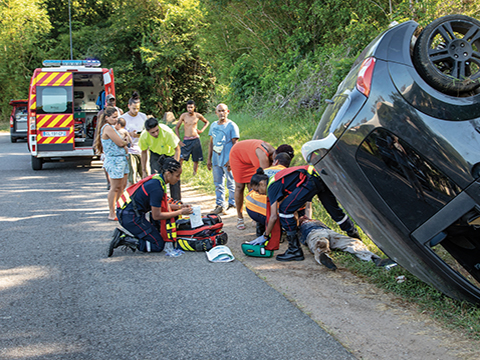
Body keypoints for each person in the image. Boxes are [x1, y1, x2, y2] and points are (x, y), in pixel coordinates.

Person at [257, 165, 360, 262]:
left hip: (310, 179)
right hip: (319, 175)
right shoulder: (280, 178)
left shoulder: (272, 185)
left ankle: (294, 250)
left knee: (284, 211)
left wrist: (265, 236)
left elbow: (274, 216)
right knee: (334, 210)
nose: (259, 193)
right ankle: (354, 236)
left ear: (261, 183)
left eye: (257, 190)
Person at [108, 157, 193, 256]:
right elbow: (156, 215)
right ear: (168, 174)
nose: (178, 179)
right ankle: (124, 239)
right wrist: (180, 212)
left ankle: (140, 236)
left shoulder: (157, 179)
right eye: (177, 176)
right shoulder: (157, 188)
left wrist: (180, 207)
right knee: (158, 245)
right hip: (130, 217)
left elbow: (160, 205)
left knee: (155, 235)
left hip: (129, 213)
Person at [229, 140, 294, 230]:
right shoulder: (263, 156)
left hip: (250, 157)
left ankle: (256, 211)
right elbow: (264, 181)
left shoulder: (273, 156)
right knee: (240, 187)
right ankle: (240, 218)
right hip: (238, 154)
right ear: (276, 156)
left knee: (252, 186)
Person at [298, 216, 394, 270]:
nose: (304, 217)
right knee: (320, 242)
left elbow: (308, 207)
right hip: (313, 233)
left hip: (330, 232)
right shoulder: (299, 225)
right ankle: (324, 257)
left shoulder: (310, 218)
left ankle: (374, 259)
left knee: (354, 242)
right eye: (302, 217)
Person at [94, 106, 129, 221]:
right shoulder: (107, 128)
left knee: (122, 186)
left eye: (117, 117)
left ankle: (119, 208)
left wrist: (125, 142)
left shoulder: (114, 128)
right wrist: (125, 142)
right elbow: (120, 142)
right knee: (115, 187)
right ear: (107, 117)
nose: (116, 120)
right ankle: (112, 212)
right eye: (114, 117)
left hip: (122, 159)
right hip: (114, 160)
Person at [245, 152, 292, 238]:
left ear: (276, 162)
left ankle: (261, 230)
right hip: (268, 210)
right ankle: (277, 233)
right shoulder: (288, 174)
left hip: (250, 207)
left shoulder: (264, 171)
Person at [206, 103, 240, 215]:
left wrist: (231, 160)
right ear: (216, 113)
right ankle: (220, 205)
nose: (221, 113)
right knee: (218, 183)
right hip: (216, 159)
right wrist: (209, 159)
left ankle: (232, 204)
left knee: (231, 182)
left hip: (227, 160)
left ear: (228, 112)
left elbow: (236, 145)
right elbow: (211, 143)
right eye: (219, 111)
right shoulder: (213, 125)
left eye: (223, 111)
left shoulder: (232, 126)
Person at [139, 117, 182, 200]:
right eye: (152, 132)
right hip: (155, 154)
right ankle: (158, 202)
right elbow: (144, 152)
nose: (155, 134)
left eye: (157, 130)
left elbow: (177, 149)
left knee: (174, 177)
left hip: (170, 154)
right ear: (147, 131)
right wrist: (143, 170)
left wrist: (175, 166)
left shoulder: (167, 132)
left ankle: (177, 202)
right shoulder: (144, 136)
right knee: (155, 179)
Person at [95, 94, 124, 190]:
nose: (111, 102)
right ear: (106, 101)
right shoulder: (102, 114)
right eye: (109, 100)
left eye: (113, 100)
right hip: (110, 148)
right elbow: (97, 129)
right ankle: (109, 182)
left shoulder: (119, 111)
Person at [175, 100, 209, 176]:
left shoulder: (198, 115)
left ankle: (194, 174)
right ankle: (177, 174)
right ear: (186, 108)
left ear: (194, 107)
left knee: (196, 159)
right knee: (181, 157)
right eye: (188, 107)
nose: (190, 109)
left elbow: (207, 122)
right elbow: (177, 127)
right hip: (186, 140)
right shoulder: (184, 116)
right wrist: (179, 140)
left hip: (196, 139)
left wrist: (201, 130)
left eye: (191, 107)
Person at [119, 91, 147, 186]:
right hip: (130, 150)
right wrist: (129, 134)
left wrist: (142, 134)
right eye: (134, 108)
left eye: (138, 108)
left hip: (142, 149)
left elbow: (148, 131)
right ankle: (132, 197)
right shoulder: (123, 118)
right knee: (132, 177)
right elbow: (118, 134)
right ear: (128, 106)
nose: (136, 111)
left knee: (146, 175)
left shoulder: (143, 116)